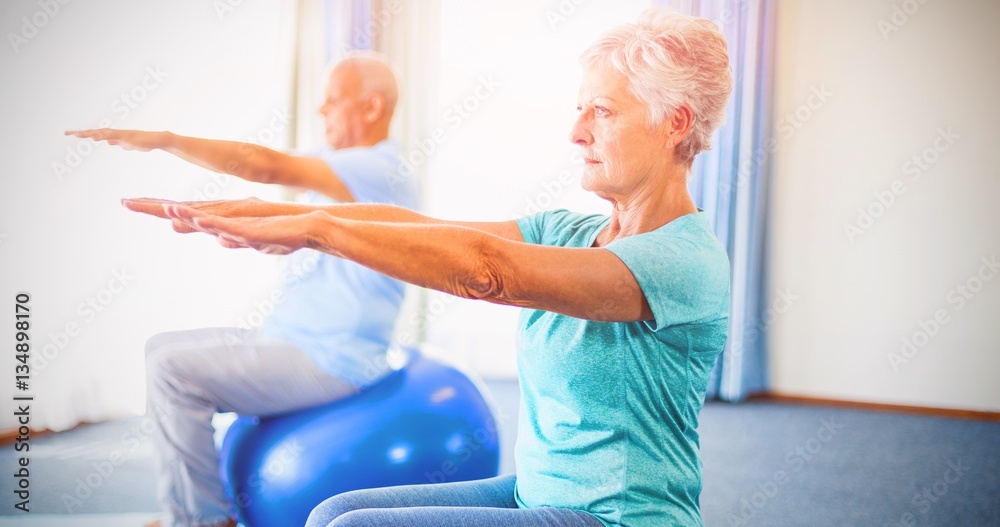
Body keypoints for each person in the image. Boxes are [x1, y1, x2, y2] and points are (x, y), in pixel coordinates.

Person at [123, 8, 732, 527]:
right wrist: (281, 219)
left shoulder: (679, 260)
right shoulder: (567, 231)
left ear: (673, 121)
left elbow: (487, 271)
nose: (575, 131)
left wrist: (319, 228)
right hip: (536, 494)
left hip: (614, 517)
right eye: (579, 109)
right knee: (330, 515)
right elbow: (434, 231)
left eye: (600, 111)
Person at [68, 51, 418, 527]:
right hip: (291, 338)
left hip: (334, 358)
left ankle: (204, 520)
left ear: (372, 108)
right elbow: (270, 187)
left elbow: (264, 166)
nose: (320, 112)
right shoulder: (340, 171)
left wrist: (165, 140)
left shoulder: (379, 168)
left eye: (331, 101)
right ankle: (186, 507)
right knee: (160, 349)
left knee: (172, 369)